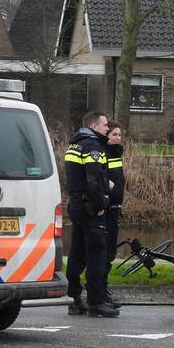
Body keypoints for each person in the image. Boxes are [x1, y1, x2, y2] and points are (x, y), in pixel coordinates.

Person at [64, 112, 119, 318]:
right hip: (90, 209)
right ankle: (96, 302)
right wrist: (100, 204)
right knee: (97, 254)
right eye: (104, 125)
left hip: (77, 205)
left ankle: (74, 299)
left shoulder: (74, 145)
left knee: (76, 254)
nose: (107, 128)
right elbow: (94, 179)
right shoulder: (92, 146)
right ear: (94, 126)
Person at [104, 122, 126, 306]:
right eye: (114, 134)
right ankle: (99, 289)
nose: (118, 138)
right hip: (105, 209)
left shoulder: (116, 153)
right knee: (102, 252)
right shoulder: (103, 152)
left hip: (115, 208)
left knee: (110, 252)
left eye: (119, 134)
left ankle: (103, 287)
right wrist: (108, 185)